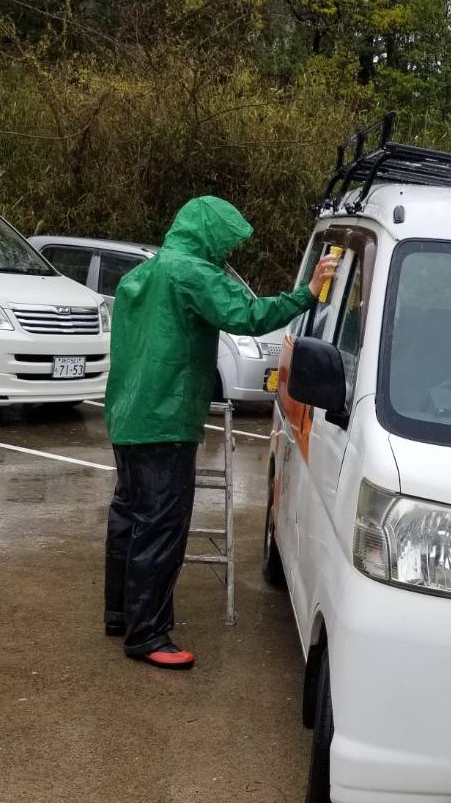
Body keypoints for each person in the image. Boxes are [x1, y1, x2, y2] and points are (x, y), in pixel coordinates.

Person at [103, 195, 337, 670]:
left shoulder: (141, 274)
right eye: (226, 242)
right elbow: (248, 316)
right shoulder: (192, 273)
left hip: (127, 417)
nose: (227, 253)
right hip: (167, 422)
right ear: (209, 235)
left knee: (128, 517)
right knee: (161, 527)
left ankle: (120, 614)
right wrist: (308, 293)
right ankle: (147, 635)